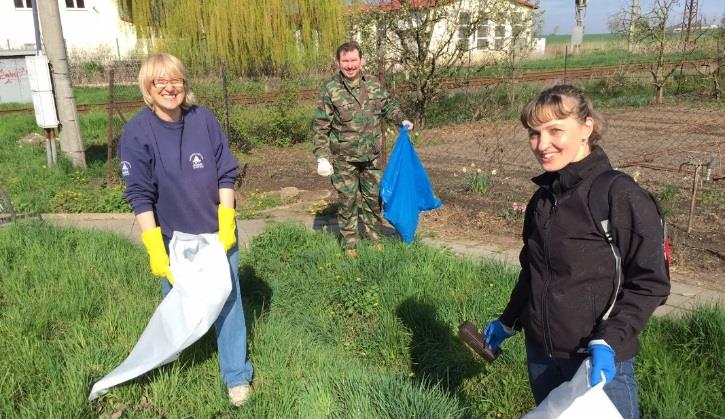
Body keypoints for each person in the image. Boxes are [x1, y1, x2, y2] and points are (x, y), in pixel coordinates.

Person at [481, 84, 670, 418]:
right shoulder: (542, 200)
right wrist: (508, 321)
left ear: (587, 127)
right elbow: (533, 271)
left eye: (556, 130)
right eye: (534, 133)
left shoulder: (618, 195)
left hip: (596, 361)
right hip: (541, 355)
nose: (542, 145)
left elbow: (651, 282)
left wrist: (609, 341)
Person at [118, 53, 253, 407]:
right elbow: (139, 195)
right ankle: (169, 363)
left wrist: (226, 220)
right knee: (177, 305)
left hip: (216, 234)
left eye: (175, 80)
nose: (169, 87)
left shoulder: (203, 119)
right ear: (148, 89)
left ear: (184, 84)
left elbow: (226, 170)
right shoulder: (137, 132)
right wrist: (154, 247)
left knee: (229, 300)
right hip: (173, 241)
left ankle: (236, 377)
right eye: (159, 82)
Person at [313, 41, 414, 257]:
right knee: (347, 202)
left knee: (373, 200)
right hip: (344, 159)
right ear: (338, 62)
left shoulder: (374, 85)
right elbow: (321, 125)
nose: (350, 65)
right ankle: (350, 245)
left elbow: (389, 106)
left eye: (353, 60)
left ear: (361, 61)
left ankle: (374, 239)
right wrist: (322, 156)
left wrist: (402, 120)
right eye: (345, 61)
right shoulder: (330, 90)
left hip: (372, 157)